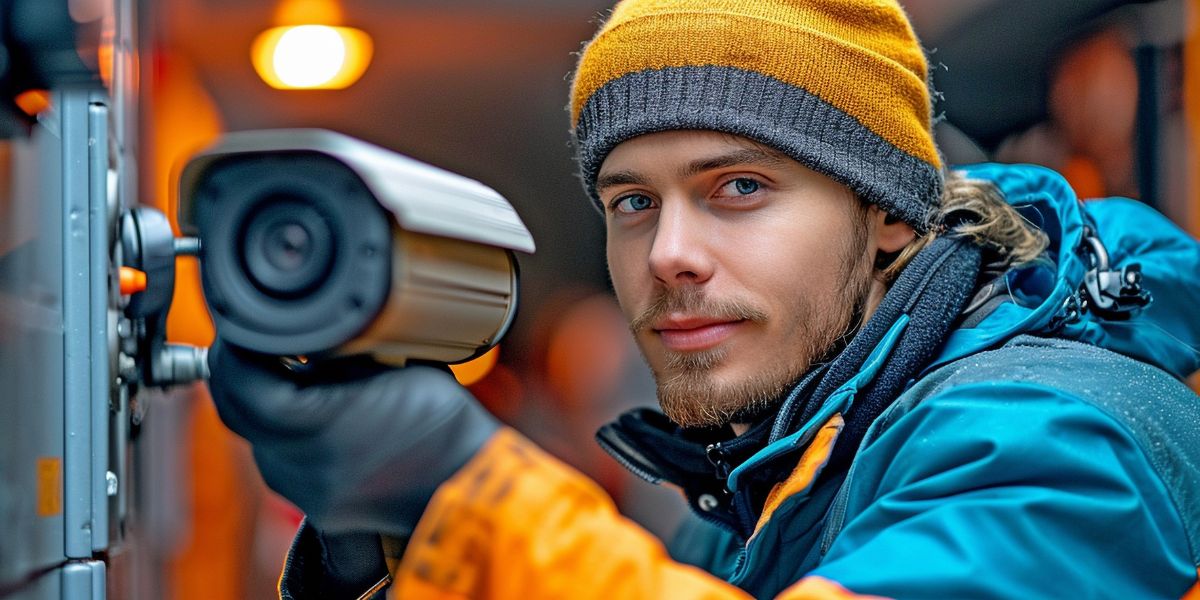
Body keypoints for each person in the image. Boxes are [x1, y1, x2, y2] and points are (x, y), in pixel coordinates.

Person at [206, 0, 1200, 598]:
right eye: (633, 201)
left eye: (739, 189)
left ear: (889, 213)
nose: (669, 253)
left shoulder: (1059, 443)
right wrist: (385, 547)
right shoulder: (776, 461)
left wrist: (466, 494)